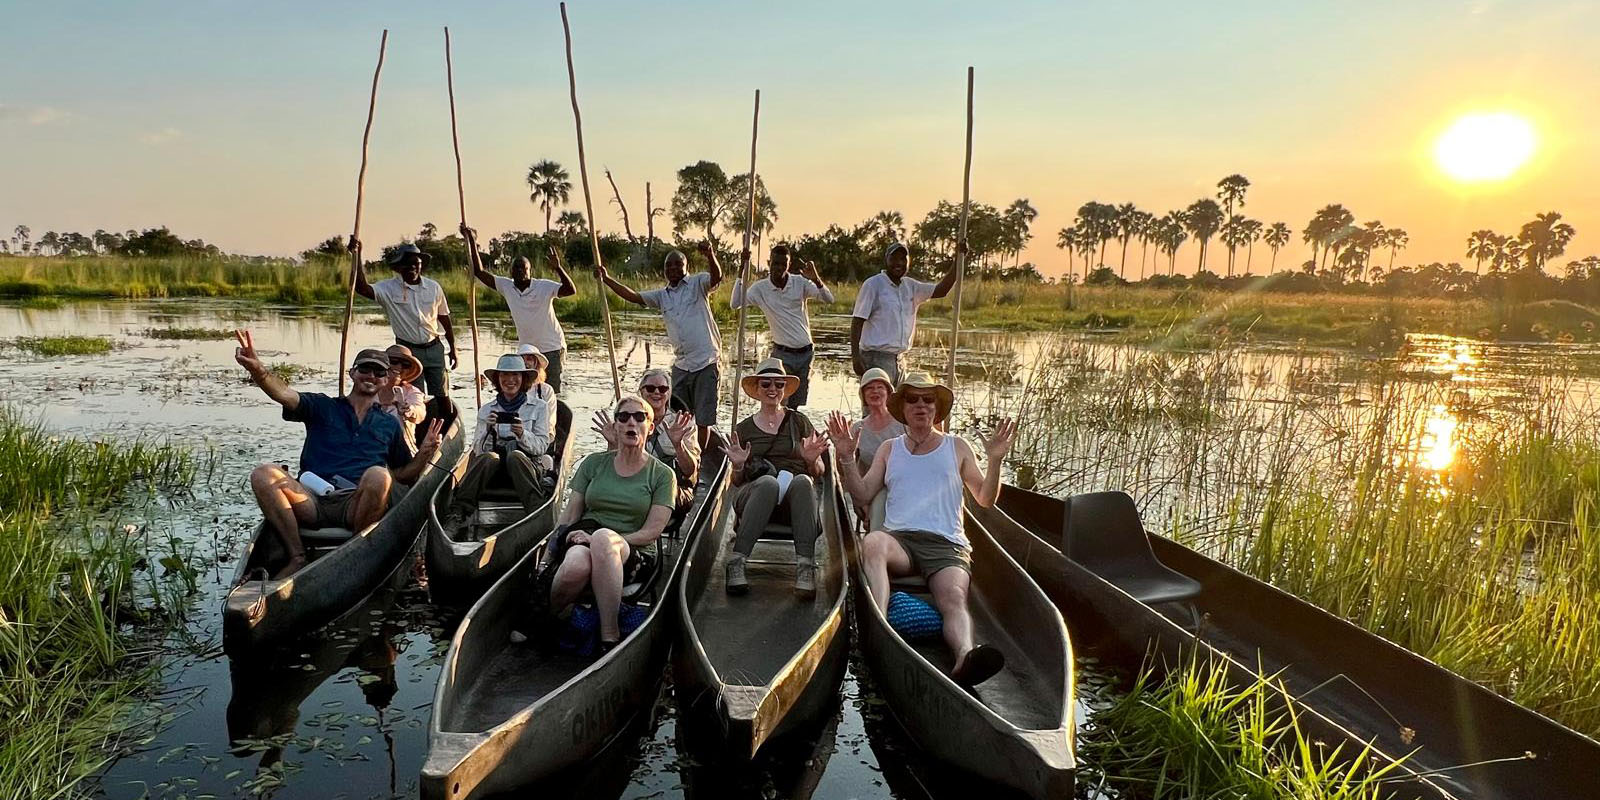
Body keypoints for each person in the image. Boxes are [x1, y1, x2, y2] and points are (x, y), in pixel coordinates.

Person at [825, 372, 1018, 688]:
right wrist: (846, 456)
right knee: (873, 541)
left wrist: (995, 461)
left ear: (936, 408)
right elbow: (861, 494)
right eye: (912, 399)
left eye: (927, 399)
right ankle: (880, 623)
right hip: (901, 541)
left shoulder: (957, 447)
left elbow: (984, 499)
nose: (920, 405)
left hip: (946, 545)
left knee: (953, 598)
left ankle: (965, 657)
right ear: (902, 406)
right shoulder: (890, 448)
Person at [235, 331, 443, 579]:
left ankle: (356, 552)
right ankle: (297, 555)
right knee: (263, 474)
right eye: (365, 370)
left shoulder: (388, 424)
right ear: (352, 373)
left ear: (386, 380)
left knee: (380, 475)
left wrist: (425, 452)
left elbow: (404, 475)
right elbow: (285, 395)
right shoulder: (324, 406)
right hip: (311, 499)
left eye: (379, 373)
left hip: (355, 505)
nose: (371, 376)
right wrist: (259, 371)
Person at [548, 394, 677, 653]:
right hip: (585, 537)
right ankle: (545, 616)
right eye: (624, 417)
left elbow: (652, 532)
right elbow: (570, 515)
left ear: (649, 428)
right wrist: (554, 547)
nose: (631, 422)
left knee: (605, 539)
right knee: (574, 565)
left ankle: (610, 635)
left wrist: (603, 539)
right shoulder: (594, 463)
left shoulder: (662, 474)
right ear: (616, 427)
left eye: (639, 417)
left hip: (635, 551)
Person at [595, 242, 723, 444]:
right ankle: (674, 452)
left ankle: (700, 462)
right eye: (668, 266)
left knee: (704, 419)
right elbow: (634, 296)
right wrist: (607, 279)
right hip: (682, 364)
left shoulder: (698, 284)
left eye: (677, 264)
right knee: (677, 414)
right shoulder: (662, 296)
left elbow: (717, 277)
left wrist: (710, 255)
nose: (672, 269)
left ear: (685, 266)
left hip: (706, 360)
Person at [725, 359, 830, 599]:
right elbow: (737, 481)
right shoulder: (743, 429)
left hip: (793, 499)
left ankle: (805, 567)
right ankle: (737, 562)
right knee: (768, 484)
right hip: (755, 494)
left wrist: (812, 459)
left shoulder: (799, 422)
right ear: (758, 390)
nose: (773, 389)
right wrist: (739, 464)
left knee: (804, 480)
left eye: (779, 384)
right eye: (766, 384)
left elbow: (819, 472)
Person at [467, 228, 575, 392]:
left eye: (523, 268)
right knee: (526, 391)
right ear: (511, 271)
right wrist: (472, 241)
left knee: (551, 392)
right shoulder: (507, 286)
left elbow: (570, 290)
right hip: (527, 351)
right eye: (516, 268)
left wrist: (558, 268)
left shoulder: (543, 286)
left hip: (551, 348)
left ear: (529, 270)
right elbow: (480, 272)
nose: (519, 271)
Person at [729, 243, 834, 408]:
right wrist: (742, 269)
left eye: (783, 264)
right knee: (780, 401)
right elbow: (735, 303)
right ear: (769, 262)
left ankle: (793, 432)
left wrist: (816, 279)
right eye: (775, 263)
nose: (779, 268)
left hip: (805, 352)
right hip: (782, 354)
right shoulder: (760, 289)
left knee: (796, 404)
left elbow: (829, 299)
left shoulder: (800, 283)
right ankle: (775, 431)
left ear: (789, 265)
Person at [450, 354, 556, 519]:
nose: (510, 380)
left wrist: (522, 434)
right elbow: (477, 451)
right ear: (498, 379)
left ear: (524, 378)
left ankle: (536, 513)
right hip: (495, 471)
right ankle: (459, 511)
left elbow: (542, 447)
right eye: (504, 375)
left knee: (515, 456)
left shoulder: (539, 407)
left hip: (526, 468)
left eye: (515, 375)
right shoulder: (487, 410)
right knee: (490, 457)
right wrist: (488, 428)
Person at [351, 241, 458, 399]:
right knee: (415, 395)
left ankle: (442, 422)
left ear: (421, 265)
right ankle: (416, 422)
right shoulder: (388, 288)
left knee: (441, 395)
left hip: (434, 348)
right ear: (399, 267)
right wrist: (357, 255)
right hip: (408, 353)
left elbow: (444, 317)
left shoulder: (433, 287)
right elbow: (361, 287)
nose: (412, 267)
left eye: (416, 263)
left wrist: (453, 348)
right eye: (407, 263)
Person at [850, 241, 964, 386]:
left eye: (903, 259)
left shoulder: (911, 286)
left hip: (899, 360)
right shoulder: (873, 285)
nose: (898, 263)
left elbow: (942, 290)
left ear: (908, 262)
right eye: (894, 258)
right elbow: (857, 321)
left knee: (898, 407)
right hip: (875, 359)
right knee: (876, 406)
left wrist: (958, 260)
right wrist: (855, 358)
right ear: (886, 260)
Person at [591, 368, 700, 516]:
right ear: (641, 392)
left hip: (674, 487)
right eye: (650, 388)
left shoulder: (682, 423)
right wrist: (613, 443)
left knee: (638, 494)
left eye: (662, 389)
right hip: (633, 482)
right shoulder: (627, 421)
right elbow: (614, 466)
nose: (657, 392)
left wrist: (678, 445)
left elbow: (690, 471)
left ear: (668, 394)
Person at [850, 367, 905, 529]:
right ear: (863, 395)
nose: (875, 392)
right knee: (880, 500)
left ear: (888, 392)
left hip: (901, 484)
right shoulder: (857, 428)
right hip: (870, 491)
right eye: (869, 388)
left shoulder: (903, 423)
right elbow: (849, 473)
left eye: (880, 387)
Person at [378, 344, 429, 444]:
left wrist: (408, 410)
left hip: (401, 448)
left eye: (405, 364)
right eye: (394, 361)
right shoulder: (372, 389)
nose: (399, 367)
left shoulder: (412, 392)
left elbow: (420, 413)